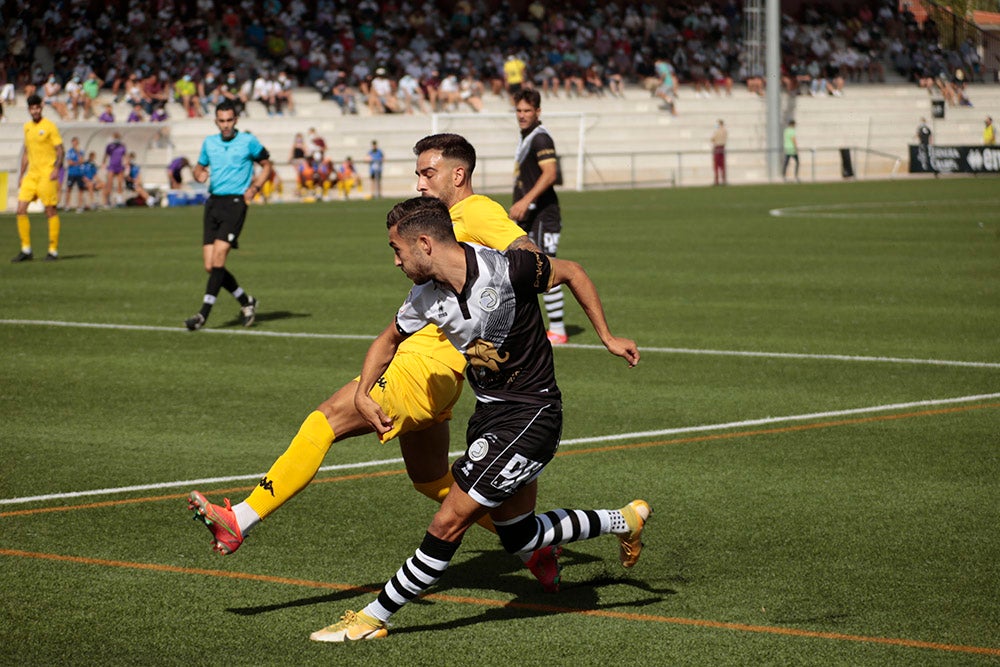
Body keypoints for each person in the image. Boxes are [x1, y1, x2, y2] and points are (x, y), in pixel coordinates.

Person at [188, 133, 563, 593]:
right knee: (430, 481)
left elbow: (530, 257)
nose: (421, 183)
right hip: (438, 375)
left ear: (457, 175)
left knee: (323, 421)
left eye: (429, 173)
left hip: (420, 369)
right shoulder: (440, 220)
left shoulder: (478, 211)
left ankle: (239, 519)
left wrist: (505, 323)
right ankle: (534, 546)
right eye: (419, 174)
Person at [308, 196, 647, 642]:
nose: (395, 261)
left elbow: (573, 272)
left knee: (447, 523)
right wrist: (362, 391)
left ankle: (374, 616)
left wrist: (606, 336)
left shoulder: (511, 268)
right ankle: (626, 520)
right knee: (518, 535)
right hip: (489, 415)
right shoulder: (424, 297)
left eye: (397, 250)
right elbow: (386, 341)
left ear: (424, 244)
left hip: (532, 414)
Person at [184, 100, 272, 331]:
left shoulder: (247, 141)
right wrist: (198, 173)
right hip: (213, 203)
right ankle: (246, 301)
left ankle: (203, 314)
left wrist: (255, 188)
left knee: (219, 259)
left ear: (236, 120)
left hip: (235, 204)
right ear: (216, 121)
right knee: (210, 266)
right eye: (221, 121)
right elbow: (199, 167)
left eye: (229, 120)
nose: (225, 125)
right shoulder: (209, 143)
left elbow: (267, 165)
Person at [509, 89, 567, 345]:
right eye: (519, 110)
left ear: (538, 112)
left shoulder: (541, 139)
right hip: (530, 217)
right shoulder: (528, 137)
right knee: (524, 270)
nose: (522, 115)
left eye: (527, 111)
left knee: (546, 268)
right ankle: (534, 327)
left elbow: (550, 173)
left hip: (543, 215)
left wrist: (525, 200)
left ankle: (557, 329)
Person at [12, 94, 64, 262]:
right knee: (20, 209)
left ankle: (53, 250)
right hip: (31, 175)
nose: (34, 111)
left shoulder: (49, 126)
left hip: (47, 174)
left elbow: (60, 149)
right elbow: (26, 152)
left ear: (41, 108)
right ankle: (26, 249)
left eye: (37, 108)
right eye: (32, 108)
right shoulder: (27, 127)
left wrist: (57, 168)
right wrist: (21, 174)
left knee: (50, 210)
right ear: (29, 110)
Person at [102, 132, 128, 207]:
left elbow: (125, 156)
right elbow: (106, 155)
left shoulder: (122, 146)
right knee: (109, 184)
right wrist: (103, 164)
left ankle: (119, 200)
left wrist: (127, 165)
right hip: (112, 166)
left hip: (119, 167)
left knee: (120, 183)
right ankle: (107, 201)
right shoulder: (109, 146)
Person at [63, 136, 88, 212]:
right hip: (72, 173)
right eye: (74, 142)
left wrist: (77, 158)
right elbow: (69, 162)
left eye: (76, 142)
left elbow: (82, 160)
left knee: (80, 189)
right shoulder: (69, 152)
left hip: (79, 173)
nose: (75, 144)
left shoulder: (80, 152)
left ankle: (79, 206)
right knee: (69, 188)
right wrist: (77, 162)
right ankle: (67, 205)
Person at [711, 119, 727, 186]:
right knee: (722, 165)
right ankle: (723, 180)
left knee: (716, 165)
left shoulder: (717, 131)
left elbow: (712, 139)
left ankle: (716, 180)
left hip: (717, 147)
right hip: (722, 147)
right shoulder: (725, 131)